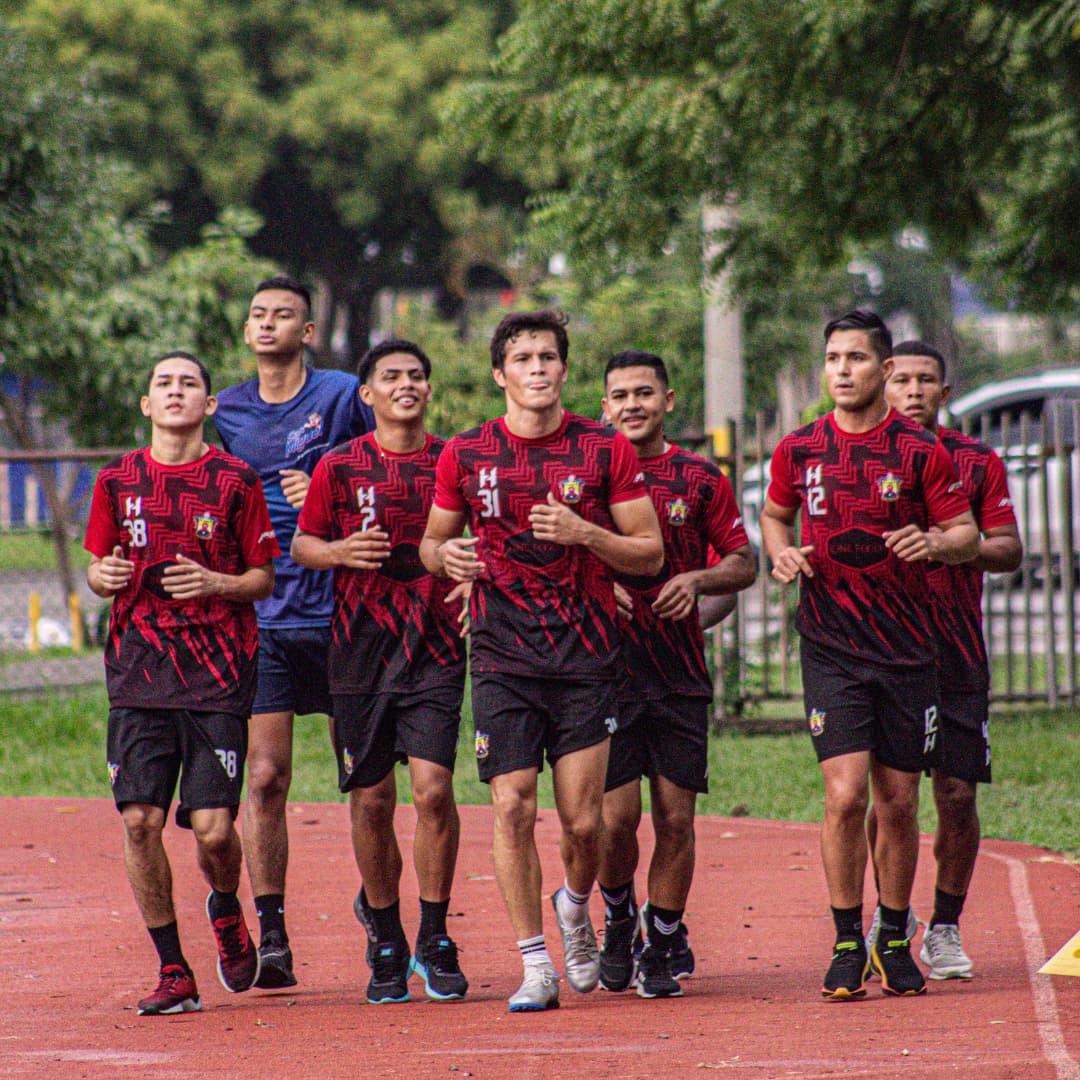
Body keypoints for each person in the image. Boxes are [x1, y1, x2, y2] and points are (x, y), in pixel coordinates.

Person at [420, 310, 663, 1012]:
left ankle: (574, 904)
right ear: (500, 374)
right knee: (511, 805)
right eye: (522, 358)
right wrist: (449, 556)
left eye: (548, 357)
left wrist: (586, 531)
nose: (536, 369)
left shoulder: (604, 447)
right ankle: (535, 964)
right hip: (502, 655)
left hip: (587, 656)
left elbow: (649, 552)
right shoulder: (465, 454)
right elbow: (432, 546)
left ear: (564, 370)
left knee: (584, 824)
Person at [759, 310, 978, 1000]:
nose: (842, 369)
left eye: (856, 357)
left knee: (898, 800)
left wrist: (937, 543)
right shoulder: (799, 448)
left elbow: (966, 532)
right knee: (845, 794)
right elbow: (772, 514)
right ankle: (847, 938)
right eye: (832, 357)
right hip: (830, 643)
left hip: (909, 648)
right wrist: (781, 551)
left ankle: (893, 932)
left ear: (883, 370)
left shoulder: (919, 451)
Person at [85, 351, 279, 1015]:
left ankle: (225, 910)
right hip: (137, 674)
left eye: (188, 383)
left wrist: (217, 582)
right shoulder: (117, 482)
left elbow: (261, 577)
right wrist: (101, 579)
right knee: (140, 820)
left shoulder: (235, 480)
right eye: (163, 384)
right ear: (146, 404)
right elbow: (97, 567)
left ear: (209, 403)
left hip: (217, 675)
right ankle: (174, 968)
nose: (175, 392)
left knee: (217, 832)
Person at [291, 339, 469, 1004]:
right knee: (371, 800)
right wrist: (337, 549)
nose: (406, 385)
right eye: (391, 376)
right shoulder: (338, 467)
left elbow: (480, 541)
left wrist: (467, 575)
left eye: (417, 376)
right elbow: (303, 544)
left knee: (432, 793)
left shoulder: (454, 461)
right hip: (358, 653)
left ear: (429, 390)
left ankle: (435, 934)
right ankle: (386, 935)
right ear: (366, 394)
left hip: (435, 647)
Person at [213, 275, 374, 987]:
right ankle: (272, 932)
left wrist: (331, 498)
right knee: (268, 778)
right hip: (268, 617)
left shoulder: (341, 395)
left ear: (308, 332)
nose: (269, 323)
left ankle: (382, 908)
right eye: (258, 314)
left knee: (362, 781)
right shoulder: (228, 411)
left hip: (344, 610)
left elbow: (386, 471)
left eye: (284, 314)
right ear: (247, 333)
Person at [597, 351, 756, 998]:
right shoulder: (584, 474)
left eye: (644, 393)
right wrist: (598, 588)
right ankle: (615, 918)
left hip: (679, 675)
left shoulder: (701, 477)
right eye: (619, 395)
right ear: (603, 406)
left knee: (676, 817)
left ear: (667, 400)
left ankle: (661, 941)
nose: (631, 404)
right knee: (614, 820)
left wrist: (697, 579)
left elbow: (743, 564)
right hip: (604, 675)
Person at [863, 341, 1021, 979]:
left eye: (926, 380)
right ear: (882, 383)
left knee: (956, 794)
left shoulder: (977, 462)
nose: (913, 391)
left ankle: (947, 926)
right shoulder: (861, 459)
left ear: (945, 392)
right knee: (891, 795)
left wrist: (952, 547)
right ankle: (888, 918)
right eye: (901, 379)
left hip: (954, 651)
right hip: (882, 650)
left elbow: (1008, 549)